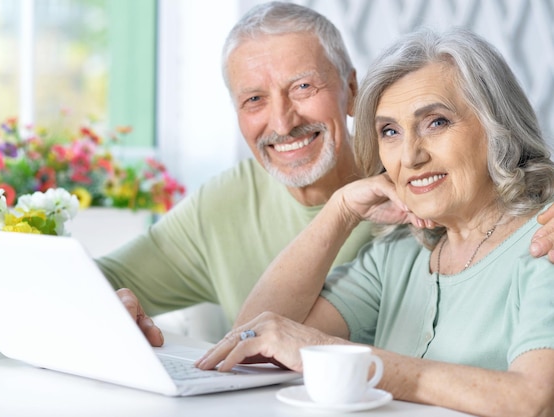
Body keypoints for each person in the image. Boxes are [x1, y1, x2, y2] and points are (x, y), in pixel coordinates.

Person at [100, 2, 554, 347]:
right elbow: (91, 281)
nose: (281, 123)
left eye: (303, 87)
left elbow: (513, 181)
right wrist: (111, 310)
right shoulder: (222, 204)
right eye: (253, 99)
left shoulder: (428, 187)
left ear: (352, 91)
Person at [196, 28, 554, 416]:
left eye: (436, 122)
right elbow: (250, 343)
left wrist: (350, 359)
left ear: (496, 126)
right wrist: (341, 210)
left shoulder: (544, 245)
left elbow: (533, 402)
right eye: (390, 131)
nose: (410, 156)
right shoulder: (396, 255)